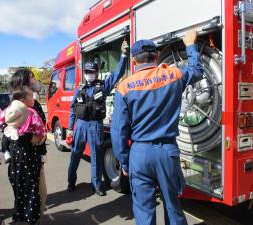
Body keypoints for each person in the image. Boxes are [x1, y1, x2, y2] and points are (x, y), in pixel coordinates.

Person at [111, 30, 203, 225]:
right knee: (173, 206)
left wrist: (125, 162)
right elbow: (196, 70)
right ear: (157, 55)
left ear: (134, 61)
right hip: (167, 152)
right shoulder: (173, 74)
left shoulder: (125, 86)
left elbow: (119, 130)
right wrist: (190, 45)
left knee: (144, 211)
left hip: (139, 154)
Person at [66, 39, 129, 196]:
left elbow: (117, 74)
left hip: (95, 126)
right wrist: (69, 128)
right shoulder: (79, 89)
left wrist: (123, 55)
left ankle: (96, 185)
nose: (89, 75)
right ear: (84, 73)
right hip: (80, 126)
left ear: (96, 72)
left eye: (92, 72)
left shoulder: (103, 86)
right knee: (75, 154)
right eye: (87, 72)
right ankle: (70, 181)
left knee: (96, 156)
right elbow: (73, 109)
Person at [0, 87, 46, 224]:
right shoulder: (31, 112)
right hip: (30, 152)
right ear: (23, 100)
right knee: (31, 185)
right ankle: (31, 216)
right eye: (31, 96)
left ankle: (19, 213)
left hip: (15, 152)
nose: (34, 98)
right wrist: (36, 137)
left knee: (18, 183)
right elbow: (42, 131)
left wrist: (11, 132)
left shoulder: (8, 110)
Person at [8, 68, 48, 218]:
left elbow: (41, 128)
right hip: (27, 156)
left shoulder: (30, 103)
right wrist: (31, 138)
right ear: (24, 82)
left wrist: (42, 141)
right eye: (32, 78)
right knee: (36, 194)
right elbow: (10, 130)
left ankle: (31, 218)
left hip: (32, 155)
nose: (35, 81)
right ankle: (32, 219)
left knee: (31, 194)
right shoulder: (20, 106)